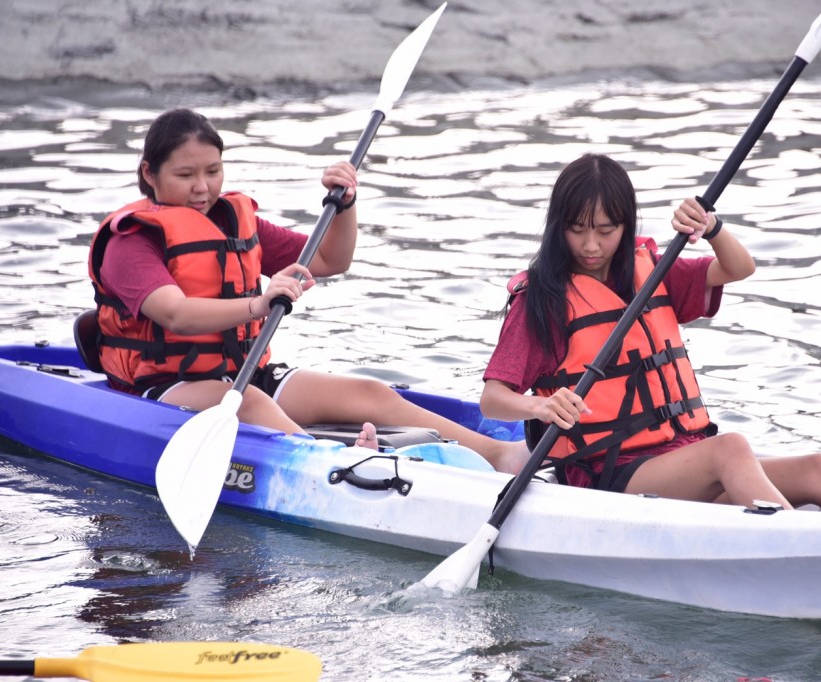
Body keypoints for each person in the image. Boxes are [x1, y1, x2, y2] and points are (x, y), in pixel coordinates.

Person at [87, 107, 529, 474]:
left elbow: (330, 260)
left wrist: (346, 206)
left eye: (213, 171)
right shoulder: (131, 241)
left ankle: (502, 455)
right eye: (186, 175)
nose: (203, 187)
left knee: (369, 394)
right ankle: (346, 470)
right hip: (165, 386)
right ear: (149, 172)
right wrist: (258, 303)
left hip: (243, 374)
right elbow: (175, 314)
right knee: (246, 401)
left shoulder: (233, 221)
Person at [480, 154, 821, 511]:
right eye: (577, 230)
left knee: (819, 468)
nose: (591, 245)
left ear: (625, 226)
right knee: (730, 448)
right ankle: (805, 545)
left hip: (681, 458)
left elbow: (738, 268)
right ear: (558, 227)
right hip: (610, 473)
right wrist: (539, 408)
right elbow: (493, 400)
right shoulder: (544, 300)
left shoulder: (653, 271)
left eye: (605, 231)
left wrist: (711, 228)